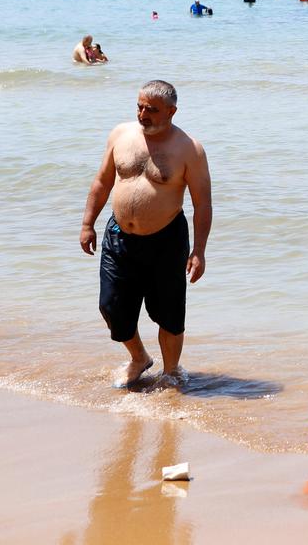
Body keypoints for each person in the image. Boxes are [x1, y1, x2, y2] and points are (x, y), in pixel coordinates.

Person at [79, 80, 212, 387]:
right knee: (111, 307)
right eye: (139, 106)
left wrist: (199, 251)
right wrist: (87, 223)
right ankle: (139, 358)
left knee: (169, 313)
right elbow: (102, 181)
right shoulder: (120, 135)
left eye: (152, 109)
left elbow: (202, 204)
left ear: (171, 111)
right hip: (119, 237)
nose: (143, 114)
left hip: (166, 239)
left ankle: (170, 372)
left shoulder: (189, 149)